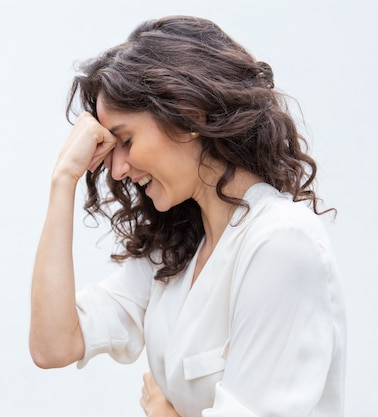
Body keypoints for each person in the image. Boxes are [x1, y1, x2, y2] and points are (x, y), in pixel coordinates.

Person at [29, 15, 346, 417]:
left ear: (190, 116)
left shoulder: (281, 243)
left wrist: (165, 413)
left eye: (126, 140)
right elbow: (53, 345)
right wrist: (63, 179)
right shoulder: (180, 248)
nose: (117, 168)